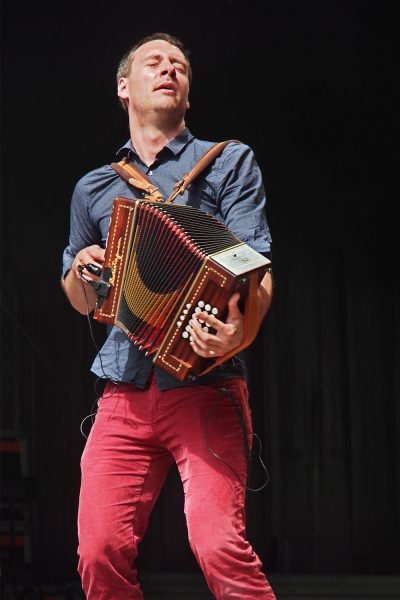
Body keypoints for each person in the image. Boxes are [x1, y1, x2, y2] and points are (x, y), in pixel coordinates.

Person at [61, 32, 276, 600]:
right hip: (122, 393)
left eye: (179, 65)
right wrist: (82, 271)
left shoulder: (228, 162)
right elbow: (80, 297)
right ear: (123, 87)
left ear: (187, 91)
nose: (169, 69)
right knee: (98, 550)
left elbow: (257, 270)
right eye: (154, 62)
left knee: (219, 549)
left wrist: (239, 332)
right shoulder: (95, 187)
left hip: (205, 383)